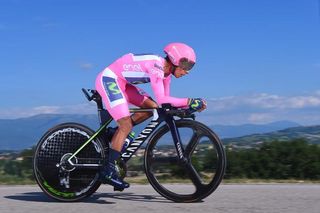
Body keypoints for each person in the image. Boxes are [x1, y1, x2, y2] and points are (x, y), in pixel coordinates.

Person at [95, 42, 207, 190]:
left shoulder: (167, 75)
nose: (187, 71)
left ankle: (116, 133)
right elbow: (163, 99)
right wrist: (190, 101)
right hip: (110, 79)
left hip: (123, 83)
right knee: (126, 125)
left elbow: (164, 104)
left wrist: (188, 107)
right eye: (186, 65)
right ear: (175, 60)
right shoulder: (157, 66)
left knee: (153, 107)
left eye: (191, 67)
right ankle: (108, 170)